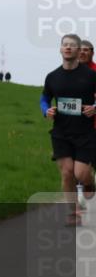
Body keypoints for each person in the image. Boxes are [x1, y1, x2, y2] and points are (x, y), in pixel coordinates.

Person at [40, 34, 96, 223]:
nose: (68, 48)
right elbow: (44, 98)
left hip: (85, 132)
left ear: (79, 50)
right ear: (60, 49)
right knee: (66, 172)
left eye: (72, 45)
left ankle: (90, 184)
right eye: (65, 45)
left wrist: (95, 108)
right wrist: (46, 110)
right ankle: (74, 213)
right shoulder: (53, 76)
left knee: (81, 173)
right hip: (61, 132)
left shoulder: (90, 76)